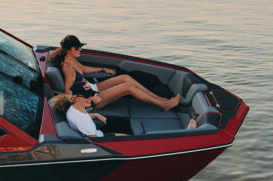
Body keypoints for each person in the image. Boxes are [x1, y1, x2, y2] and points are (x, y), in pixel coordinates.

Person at [47, 34, 179, 112]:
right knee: (128, 87)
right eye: (77, 47)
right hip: (93, 99)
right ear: (69, 49)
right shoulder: (67, 67)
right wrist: (81, 108)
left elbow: (85, 69)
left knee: (126, 77)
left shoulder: (71, 59)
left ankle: (161, 99)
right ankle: (163, 105)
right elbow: (69, 92)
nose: (80, 49)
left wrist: (104, 69)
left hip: (92, 88)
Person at [50, 82, 127, 137]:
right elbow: (95, 140)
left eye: (91, 94)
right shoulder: (82, 121)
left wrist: (94, 115)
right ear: (75, 96)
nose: (90, 98)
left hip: (97, 131)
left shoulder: (74, 107)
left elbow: (81, 115)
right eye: (86, 96)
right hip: (100, 137)